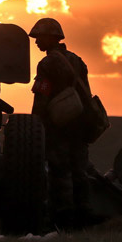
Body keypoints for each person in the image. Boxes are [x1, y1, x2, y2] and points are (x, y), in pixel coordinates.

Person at [29, 17, 92, 229]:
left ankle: (64, 221)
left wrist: (35, 125)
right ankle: (83, 217)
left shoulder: (47, 64)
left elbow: (42, 96)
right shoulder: (78, 61)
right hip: (79, 125)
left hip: (58, 128)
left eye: (39, 37)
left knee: (60, 172)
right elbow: (86, 95)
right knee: (80, 173)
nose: (36, 42)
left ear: (51, 37)